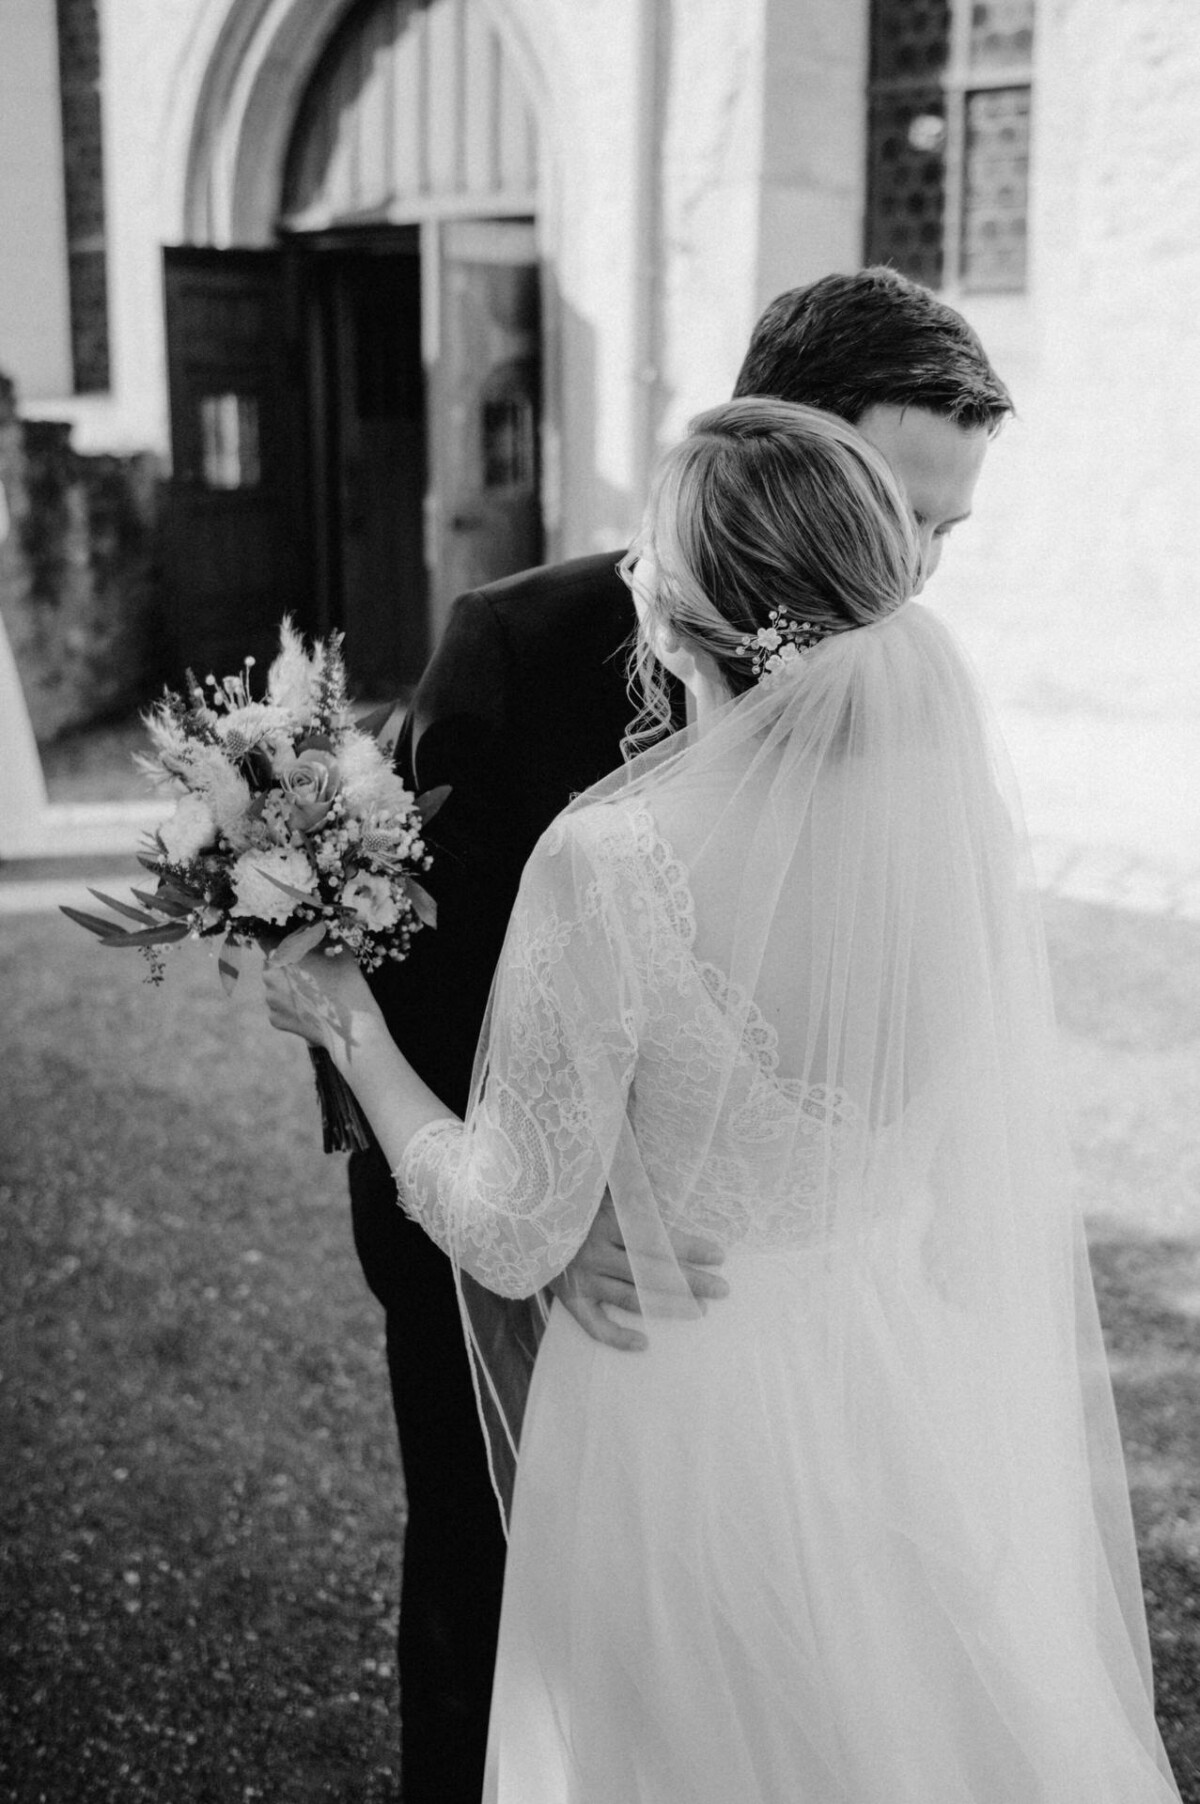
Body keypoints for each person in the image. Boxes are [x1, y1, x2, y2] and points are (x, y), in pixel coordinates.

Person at [267, 397, 1181, 1802]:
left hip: (679, 1418)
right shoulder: (962, 841)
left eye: (644, 560)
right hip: (892, 1387)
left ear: (682, 616)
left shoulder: (617, 859)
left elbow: (511, 1227)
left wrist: (348, 1020)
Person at [348, 265, 1010, 1800]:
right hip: (549, 1294)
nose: (905, 579)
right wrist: (556, 1220)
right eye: (892, 509)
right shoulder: (515, 649)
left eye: (944, 535)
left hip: (775, 1342)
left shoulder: (918, 729)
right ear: (787, 459)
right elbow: (408, 979)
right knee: (490, 1629)